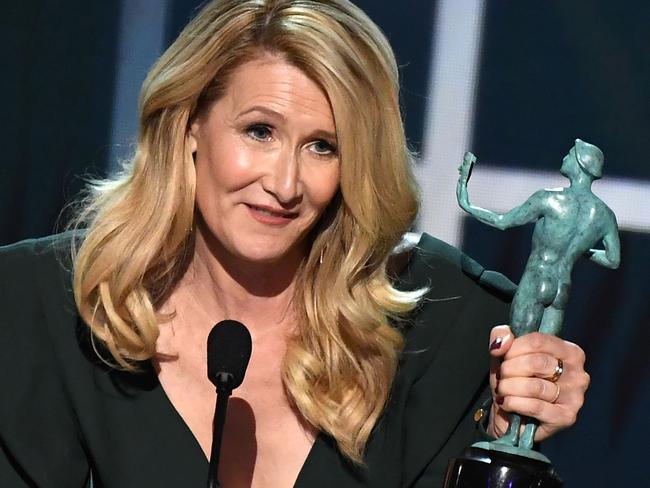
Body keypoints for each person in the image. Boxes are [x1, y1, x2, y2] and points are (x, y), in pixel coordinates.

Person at [0, 1, 590, 487]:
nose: (284, 185)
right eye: (260, 132)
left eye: (322, 147)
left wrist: (514, 421)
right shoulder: (35, 308)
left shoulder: (442, 329)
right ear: (188, 125)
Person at [457, 140, 619, 450]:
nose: (565, 155)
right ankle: (527, 438)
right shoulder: (602, 215)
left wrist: (465, 199)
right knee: (540, 362)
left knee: (520, 357)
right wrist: (580, 253)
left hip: (537, 278)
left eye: (571, 154)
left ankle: (510, 434)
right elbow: (613, 260)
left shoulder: (549, 200)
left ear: (581, 165)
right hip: (562, 287)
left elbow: (504, 222)